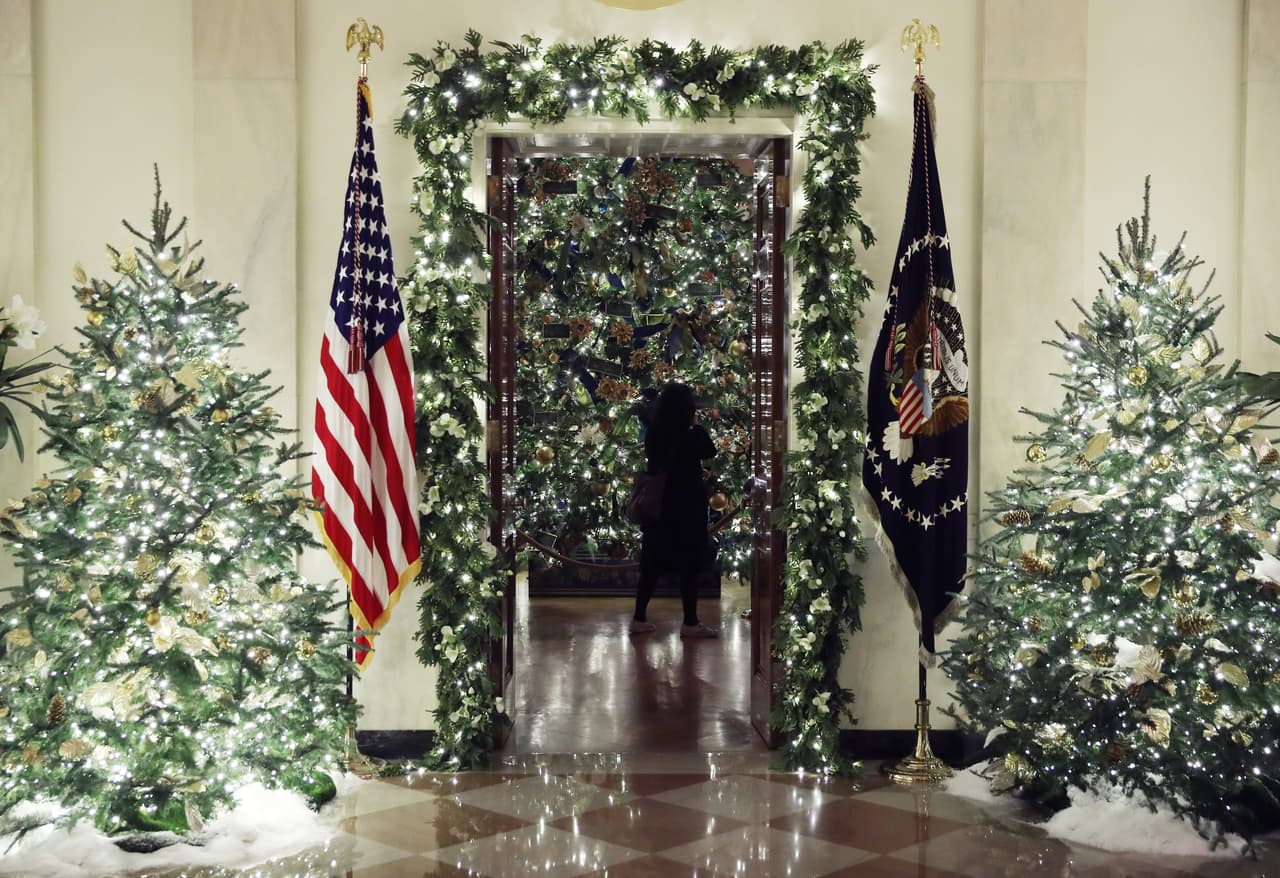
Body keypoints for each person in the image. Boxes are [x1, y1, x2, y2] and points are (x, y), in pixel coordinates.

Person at [631, 382, 719, 637]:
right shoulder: (691, 434)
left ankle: (639, 618)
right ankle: (690, 622)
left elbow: (654, 461)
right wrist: (695, 425)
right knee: (688, 566)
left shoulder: (654, 432)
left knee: (650, 565)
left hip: (659, 505)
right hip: (687, 504)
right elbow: (709, 450)